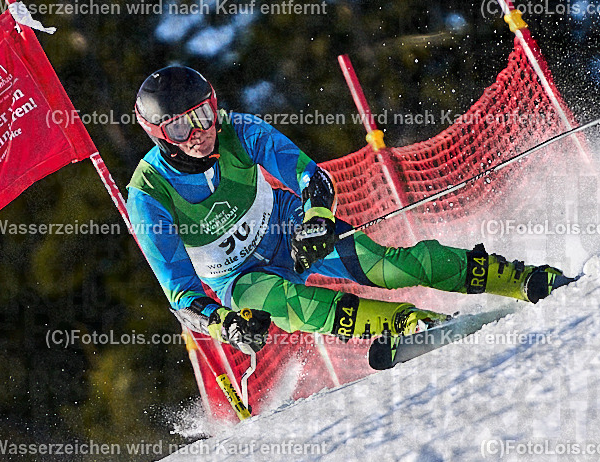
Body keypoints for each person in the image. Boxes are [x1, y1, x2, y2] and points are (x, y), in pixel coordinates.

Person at [126, 65, 573, 355]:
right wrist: (226, 326)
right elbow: (181, 294)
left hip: (287, 230)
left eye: (203, 113)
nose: (199, 132)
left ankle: (518, 278)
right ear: (158, 134)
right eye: (180, 126)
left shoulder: (237, 130)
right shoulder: (149, 195)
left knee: (388, 269)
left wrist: (316, 219)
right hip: (239, 278)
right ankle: (407, 324)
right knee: (292, 302)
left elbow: (310, 176)